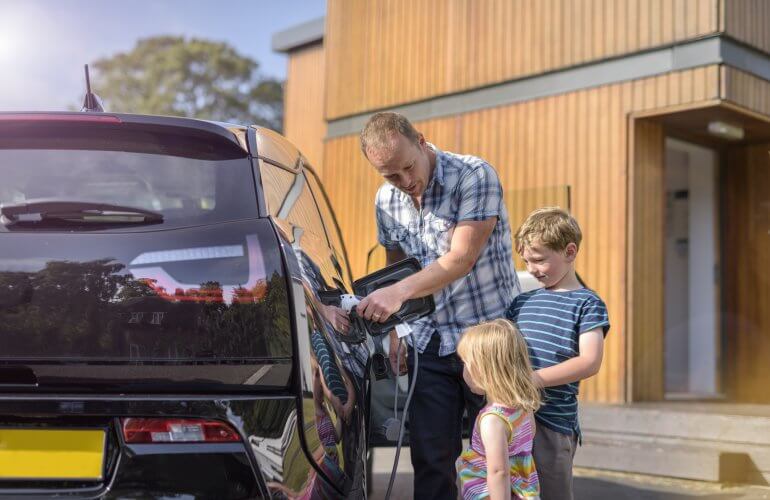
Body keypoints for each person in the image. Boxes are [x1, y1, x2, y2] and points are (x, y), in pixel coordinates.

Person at [356, 112, 521, 499]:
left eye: (408, 167)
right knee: (431, 460)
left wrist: (398, 294)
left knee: (502, 458)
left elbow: (461, 259)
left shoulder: (475, 176)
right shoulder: (386, 200)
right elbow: (394, 270)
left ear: (422, 141)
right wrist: (396, 328)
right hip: (428, 340)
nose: (405, 181)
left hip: (489, 340)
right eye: (391, 175)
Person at [505, 207, 610, 500]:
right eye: (526, 261)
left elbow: (589, 361)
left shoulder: (588, 303)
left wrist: (531, 380)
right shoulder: (520, 303)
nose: (532, 269)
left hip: (553, 424)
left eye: (539, 260)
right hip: (512, 419)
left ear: (570, 251)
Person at [456, 319, 542, 500]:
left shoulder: (492, 420)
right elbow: (525, 443)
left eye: (465, 363)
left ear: (483, 370)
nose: (463, 370)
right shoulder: (524, 406)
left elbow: (498, 472)